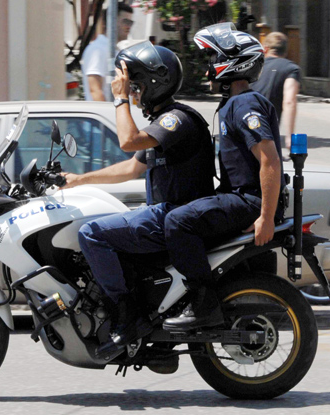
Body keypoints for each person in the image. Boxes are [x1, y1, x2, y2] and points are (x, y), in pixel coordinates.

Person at [63, 41, 216, 356]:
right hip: (166, 214)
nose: (131, 92)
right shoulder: (163, 123)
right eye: (129, 87)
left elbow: (127, 142)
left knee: (91, 234)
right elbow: (133, 167)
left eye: (135, 85)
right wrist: (79, 180)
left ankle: (126, 313)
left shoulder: (176, 120)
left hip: (175, 216)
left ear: (154, 83)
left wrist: (119, 99)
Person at [162, 23, 286, 331]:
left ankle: (202, 302)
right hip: (242, 198)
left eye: (210, 62)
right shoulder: (234, 103)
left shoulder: (245, 104)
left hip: (250, 201)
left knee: (177, 222)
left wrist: (266, 217)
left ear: (230, 63)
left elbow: (269, 161)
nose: (206, 72)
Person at [251, 31, 300, 151]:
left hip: (242, 124)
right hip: (266, 133)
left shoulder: (253, 66)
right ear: (285, 51)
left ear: (265, 49)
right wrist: (290, 137)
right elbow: (289, 101)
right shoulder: (291, 69)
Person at [81, 2, 134, 102]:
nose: (129, 26)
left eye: (131, 23)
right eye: (125, 22)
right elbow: (95, 90)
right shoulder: (97, 49)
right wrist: (109, 116)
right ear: (111, 21)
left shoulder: (115, 50)